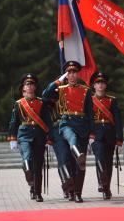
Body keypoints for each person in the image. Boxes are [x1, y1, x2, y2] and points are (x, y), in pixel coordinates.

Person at [42, 61, 94, 203]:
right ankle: (70, 189)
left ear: (78, 74)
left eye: (74, 72)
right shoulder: (61, 89)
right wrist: (58, 81)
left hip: (82, 128)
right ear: (66, 74)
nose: (72, 75)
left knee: (80, 165)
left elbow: (90, 113)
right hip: (65, 126)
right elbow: (45, 96)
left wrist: (92, 134)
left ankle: (78, 192)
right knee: (65, 160)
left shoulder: (86, 90)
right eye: (69, 72)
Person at [8, 74, 52, 202]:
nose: (30, 86)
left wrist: (50, 138)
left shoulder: (41, 102)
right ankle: (28, 175)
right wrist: (12, 138)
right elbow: (13, 122)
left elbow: (48, 121)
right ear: (23, 88)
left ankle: (37, 192)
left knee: (38, 166)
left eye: (32, 84)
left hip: (39, 136)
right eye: (27, 84)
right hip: (24, 136)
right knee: (27, 157)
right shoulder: (18, 104)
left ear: (35, 87)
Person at [89, 71, 123, 200]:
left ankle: (106, 188)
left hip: (110, 134)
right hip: (96, 135)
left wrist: (119, 139)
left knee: (108, 162)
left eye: (102, 82)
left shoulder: (112, 100)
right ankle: (101, 182)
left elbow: (118, 120)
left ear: (106, 85)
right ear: (94, 86)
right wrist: (89, 135)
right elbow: (88, 119)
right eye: (98, 83)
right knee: (99, 158)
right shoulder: (89, 101)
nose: (100, 85)